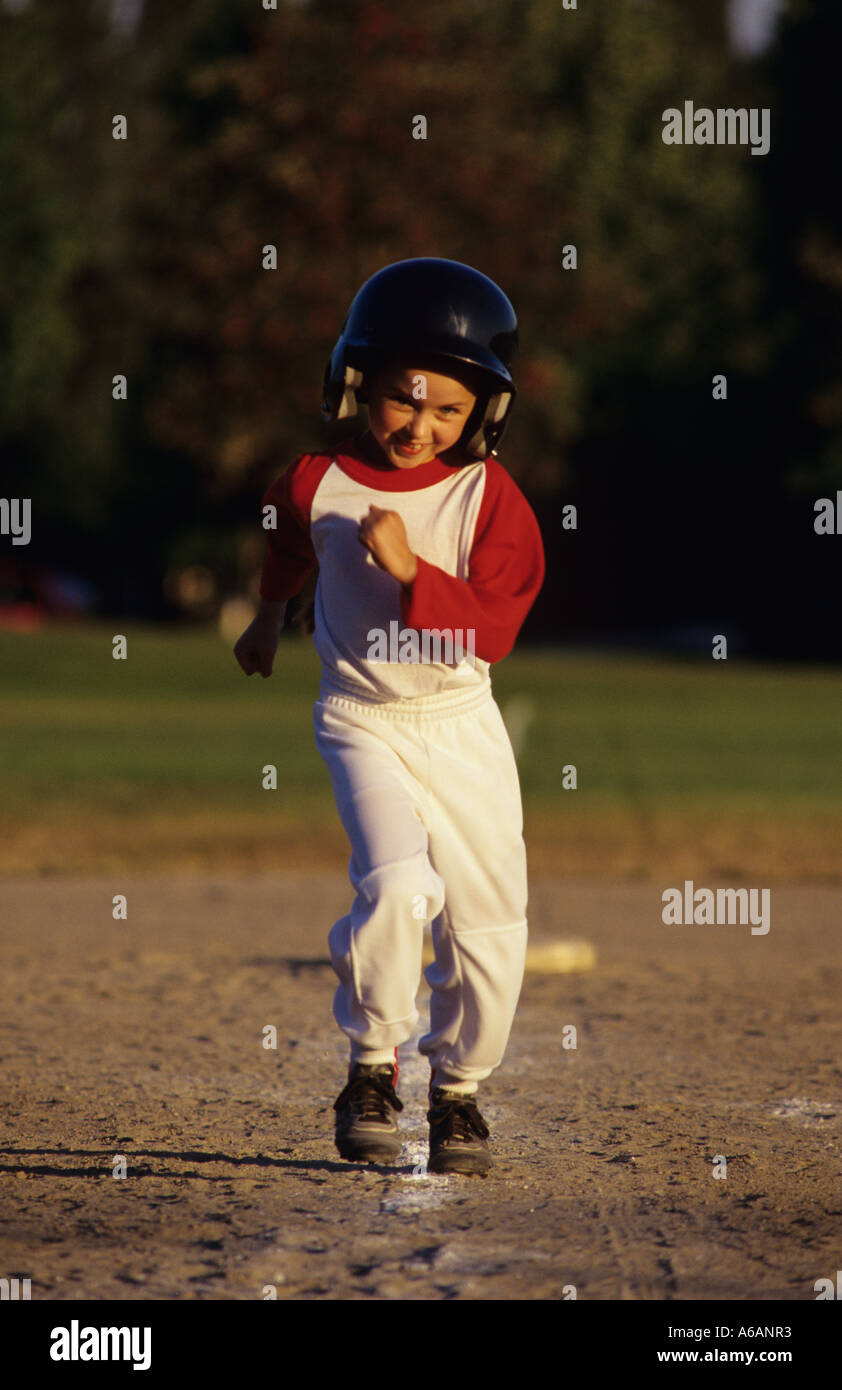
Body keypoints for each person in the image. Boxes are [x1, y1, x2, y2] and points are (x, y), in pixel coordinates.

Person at [234, 258, 545, 1176]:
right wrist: (267, 613)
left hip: (457, 720)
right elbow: (291, 542)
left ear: (481, 413)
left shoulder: (489, 498)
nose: (421, 427)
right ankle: (372, 1066)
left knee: (490, 926)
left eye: (447, 410)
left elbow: (493, 627)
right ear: (357, 386)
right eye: (404, 401)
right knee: (401, 887)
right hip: (361, 717)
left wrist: (415, 572)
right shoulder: (313, 479)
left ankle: (459, 1091)